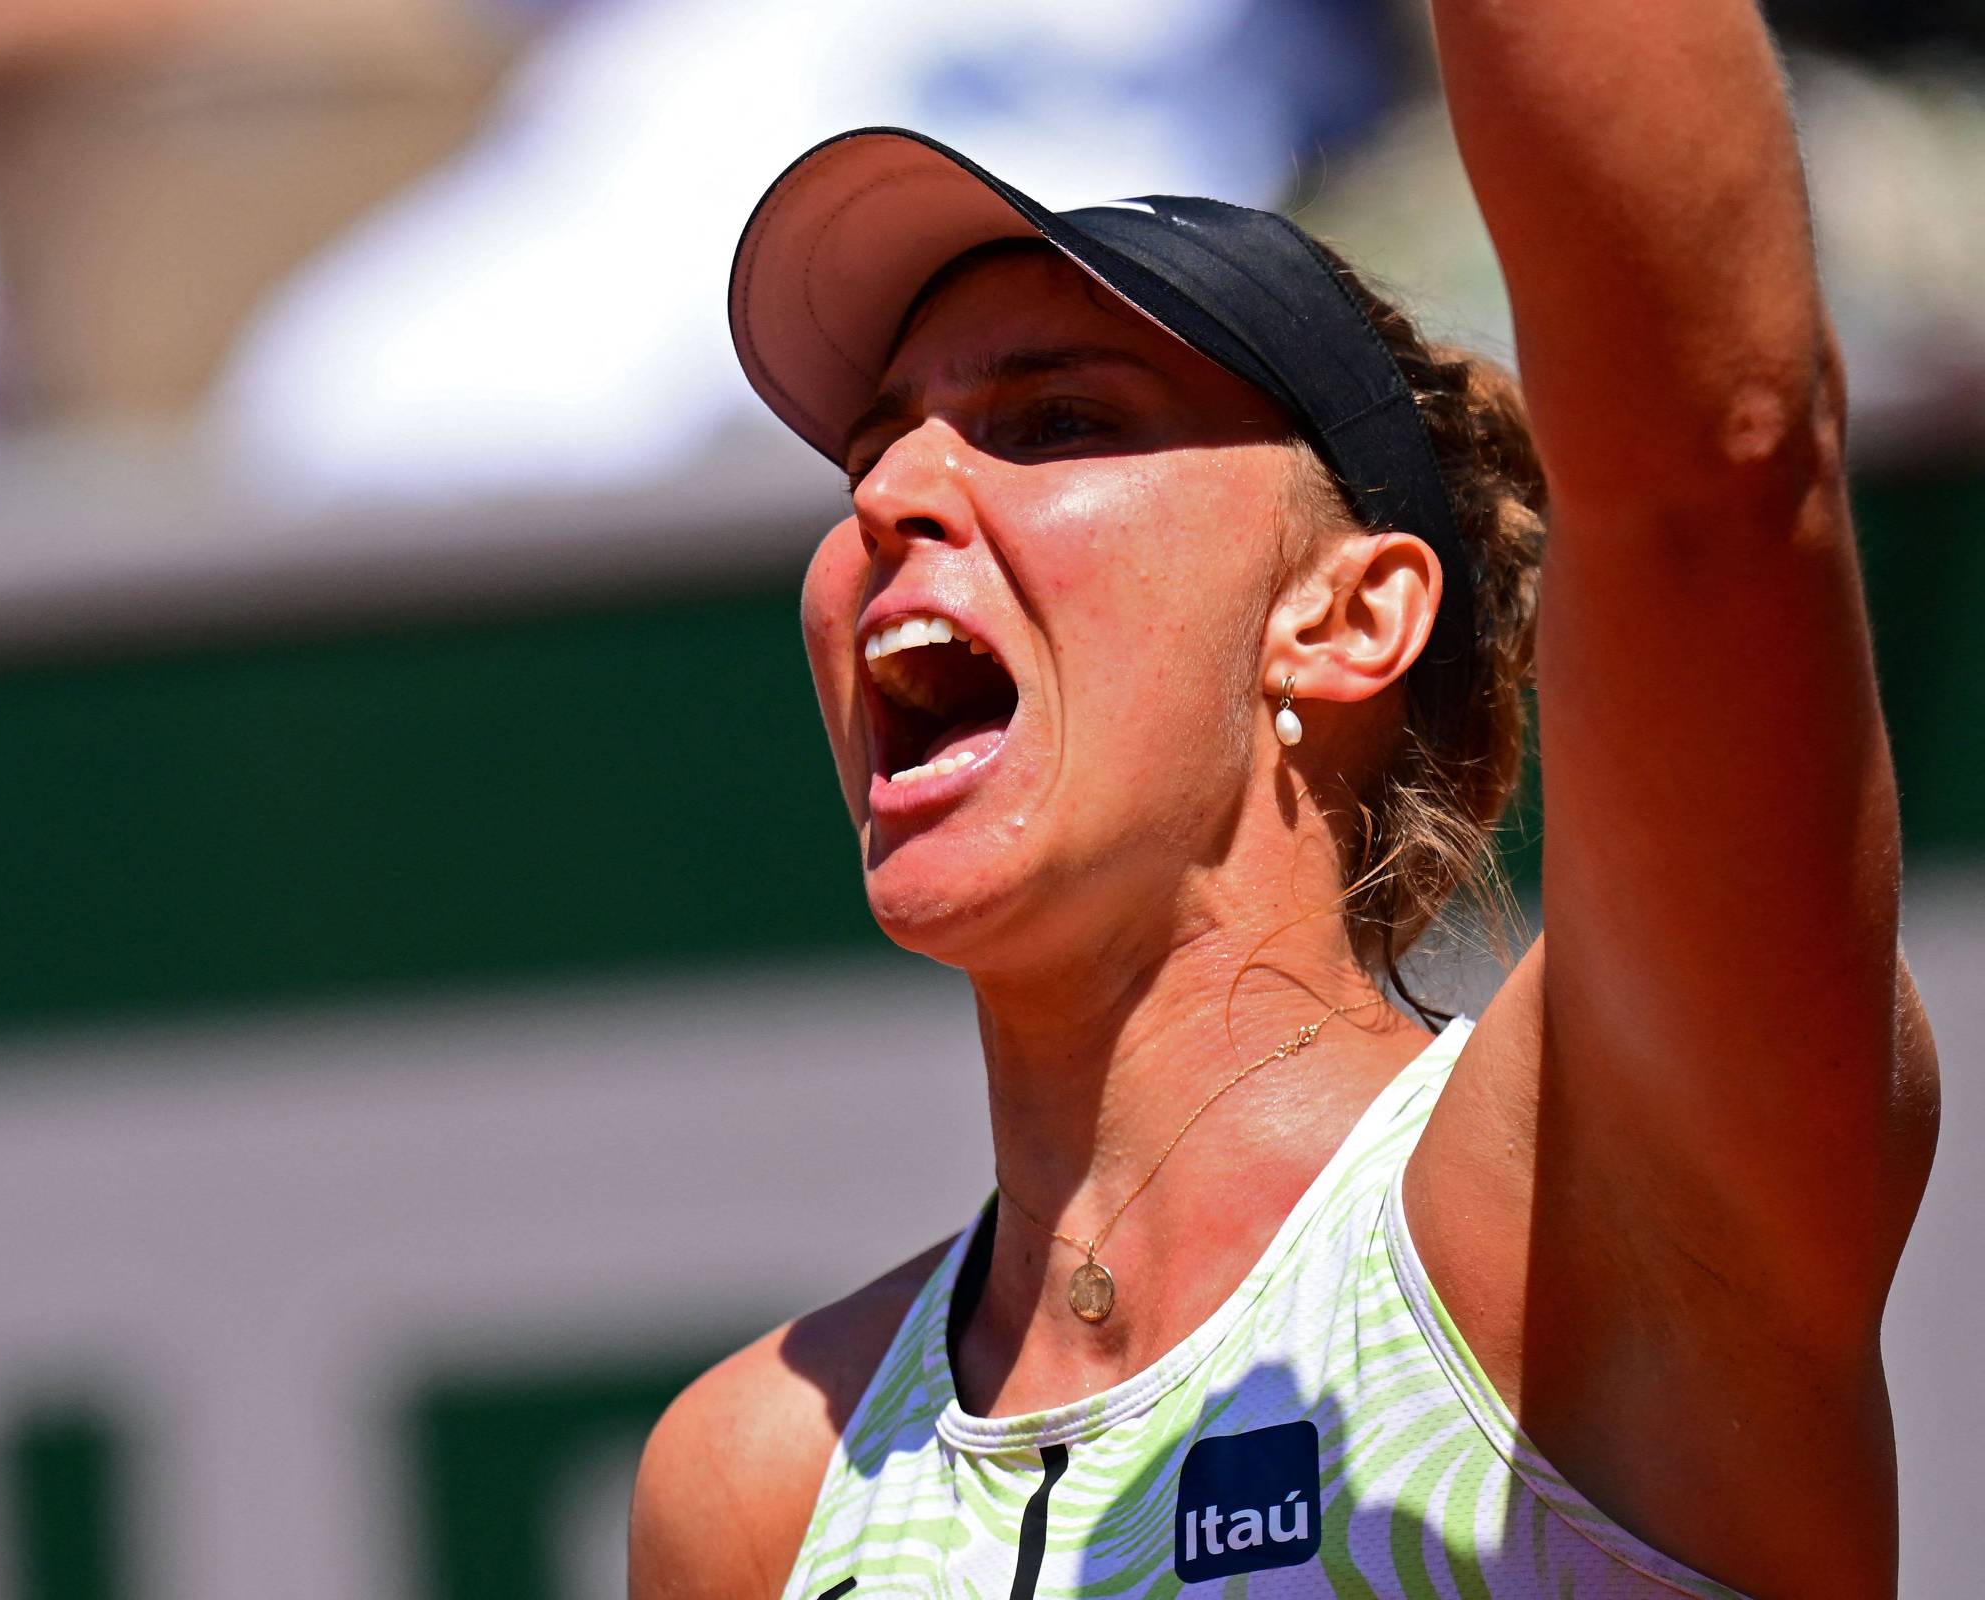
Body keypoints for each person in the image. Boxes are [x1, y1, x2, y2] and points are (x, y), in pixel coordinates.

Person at [629, 1, 1941, 1596]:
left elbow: (1716, 466)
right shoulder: (762, 1478)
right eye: (868, 452)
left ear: (1345, 617)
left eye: (1057, 420)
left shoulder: (1578, 1209)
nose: (892, 496)